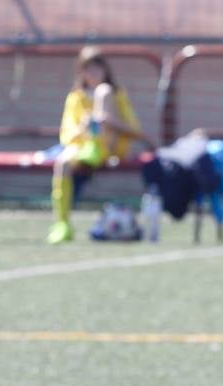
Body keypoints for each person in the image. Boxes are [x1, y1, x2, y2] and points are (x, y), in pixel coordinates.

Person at [47, 46, 151, 245]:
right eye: (88, 69)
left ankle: (97, 145)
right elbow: (66, 135)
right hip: (83, 149)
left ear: (105, 70)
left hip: (111, 148)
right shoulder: (76, 98)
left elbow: (135, 130)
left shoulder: (113, 94)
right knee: (62, 163)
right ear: (81, 72)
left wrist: (108, 121)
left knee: (103, 94)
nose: (93, 74)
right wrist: (85, 126)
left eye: (97, 68)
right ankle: (62, 224)